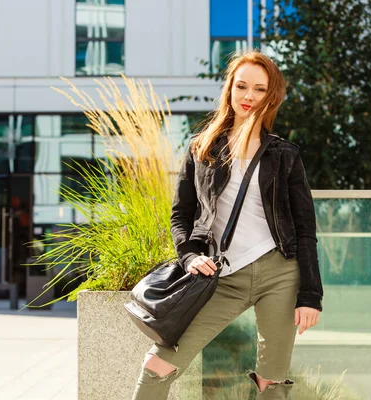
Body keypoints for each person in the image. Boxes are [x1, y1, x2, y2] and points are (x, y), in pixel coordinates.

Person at [132, 50, 323, 400]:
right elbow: (181, 215)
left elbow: (305, 228)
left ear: (272, 95)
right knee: (159, 364)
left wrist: (311, 295)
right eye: (241, 86)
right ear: (230, 89)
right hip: (221, 276)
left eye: (259, 89)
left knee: (272, 380)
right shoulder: (201, 148)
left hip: (279, 274)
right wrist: (189, 256)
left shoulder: (285, 155)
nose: (248, 96)